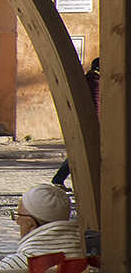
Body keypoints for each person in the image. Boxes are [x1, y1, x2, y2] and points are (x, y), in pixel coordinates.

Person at [52, 57, 100, 188]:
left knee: (80, 153)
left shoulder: (88, 80)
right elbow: (96, 105)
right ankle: (61, 179)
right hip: (91, 125)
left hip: (83, 123)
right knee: (82, 153)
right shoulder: (95, 83)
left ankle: (59, 178)